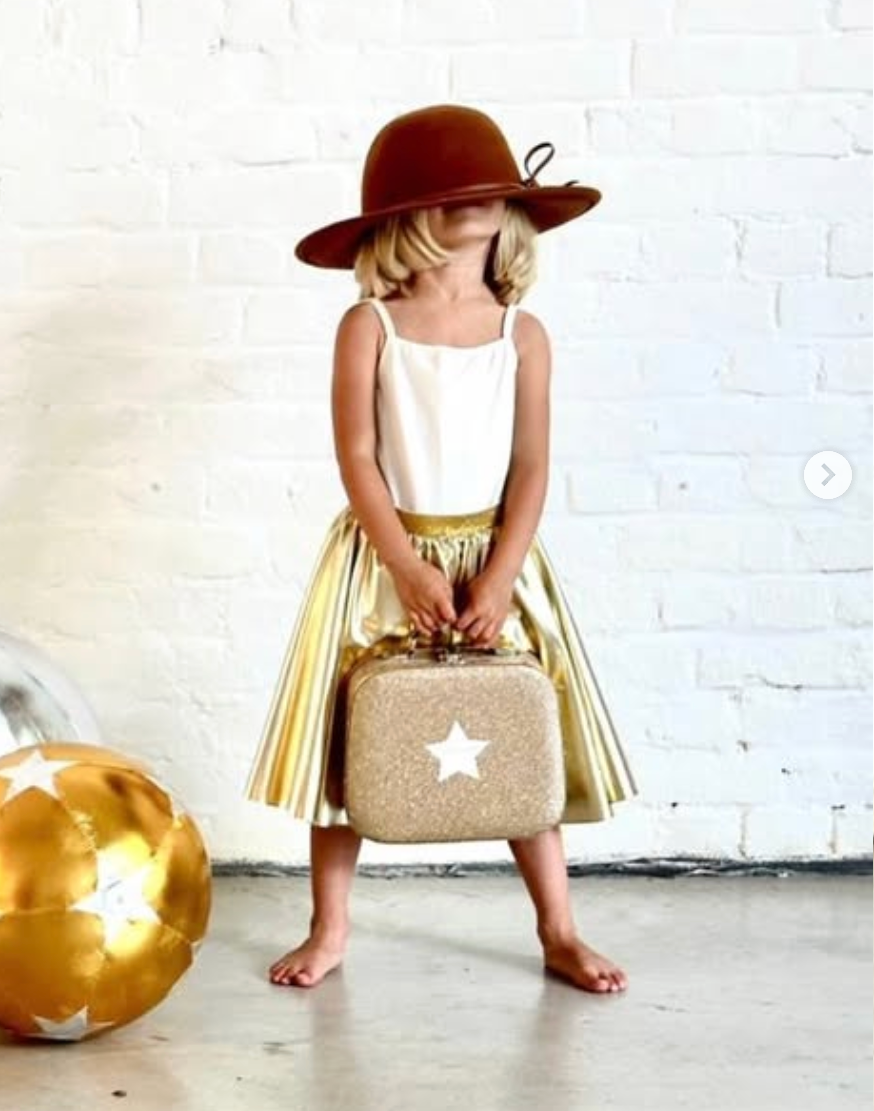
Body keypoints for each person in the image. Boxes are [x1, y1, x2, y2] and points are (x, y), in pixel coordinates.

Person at [244, 105, 638, 995]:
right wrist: (403, 562)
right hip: (385, 561)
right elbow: (358, 457)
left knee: (516, 732)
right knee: (352, 736)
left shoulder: (521, 334)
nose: (477, 201)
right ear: (404, 217)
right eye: (452, 191)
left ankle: (559, 929)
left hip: (496, 562)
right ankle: (330, 927)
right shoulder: (369, 326)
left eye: (491, 189)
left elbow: (531, 467)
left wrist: (500, 576)